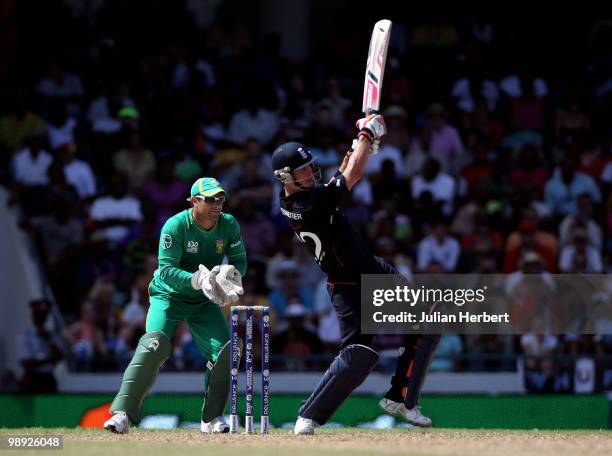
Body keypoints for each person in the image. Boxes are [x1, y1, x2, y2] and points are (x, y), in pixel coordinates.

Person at [272, 115, 439, 435]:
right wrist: (365, 135)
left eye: (310, 166)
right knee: (358, 355)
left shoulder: (302, 195)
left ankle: (403, 400)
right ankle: (308, 415)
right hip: (347, 281)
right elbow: (354, 174)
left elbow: (346, 172)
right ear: (285, 177)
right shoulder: (308, 205)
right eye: (303, 171)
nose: (310, 174)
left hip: (371, 268)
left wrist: (362, 145)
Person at [103, 177, 247, 434]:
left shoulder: (229, 224)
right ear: (194, 201)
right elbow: (167, 270)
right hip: (169, 296)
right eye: (211, 199)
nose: (217, 204)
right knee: (154, 344)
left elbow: (240, 259)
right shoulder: (176, 225)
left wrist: (230, 276)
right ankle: (122, 414)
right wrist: (197, 279)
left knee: (229, 352)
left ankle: (212, 418)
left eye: (221, 198)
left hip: (204, 300)